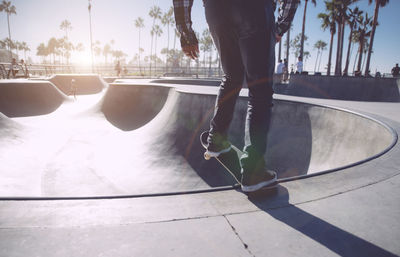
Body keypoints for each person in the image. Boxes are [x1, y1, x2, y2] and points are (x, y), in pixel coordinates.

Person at [173, 0, 298, 192]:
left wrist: (185, 31)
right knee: (260, 89)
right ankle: (253, 171)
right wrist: (281, 25)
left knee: (232, 77)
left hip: (216, 11)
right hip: (254, 9)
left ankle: (216, 139)